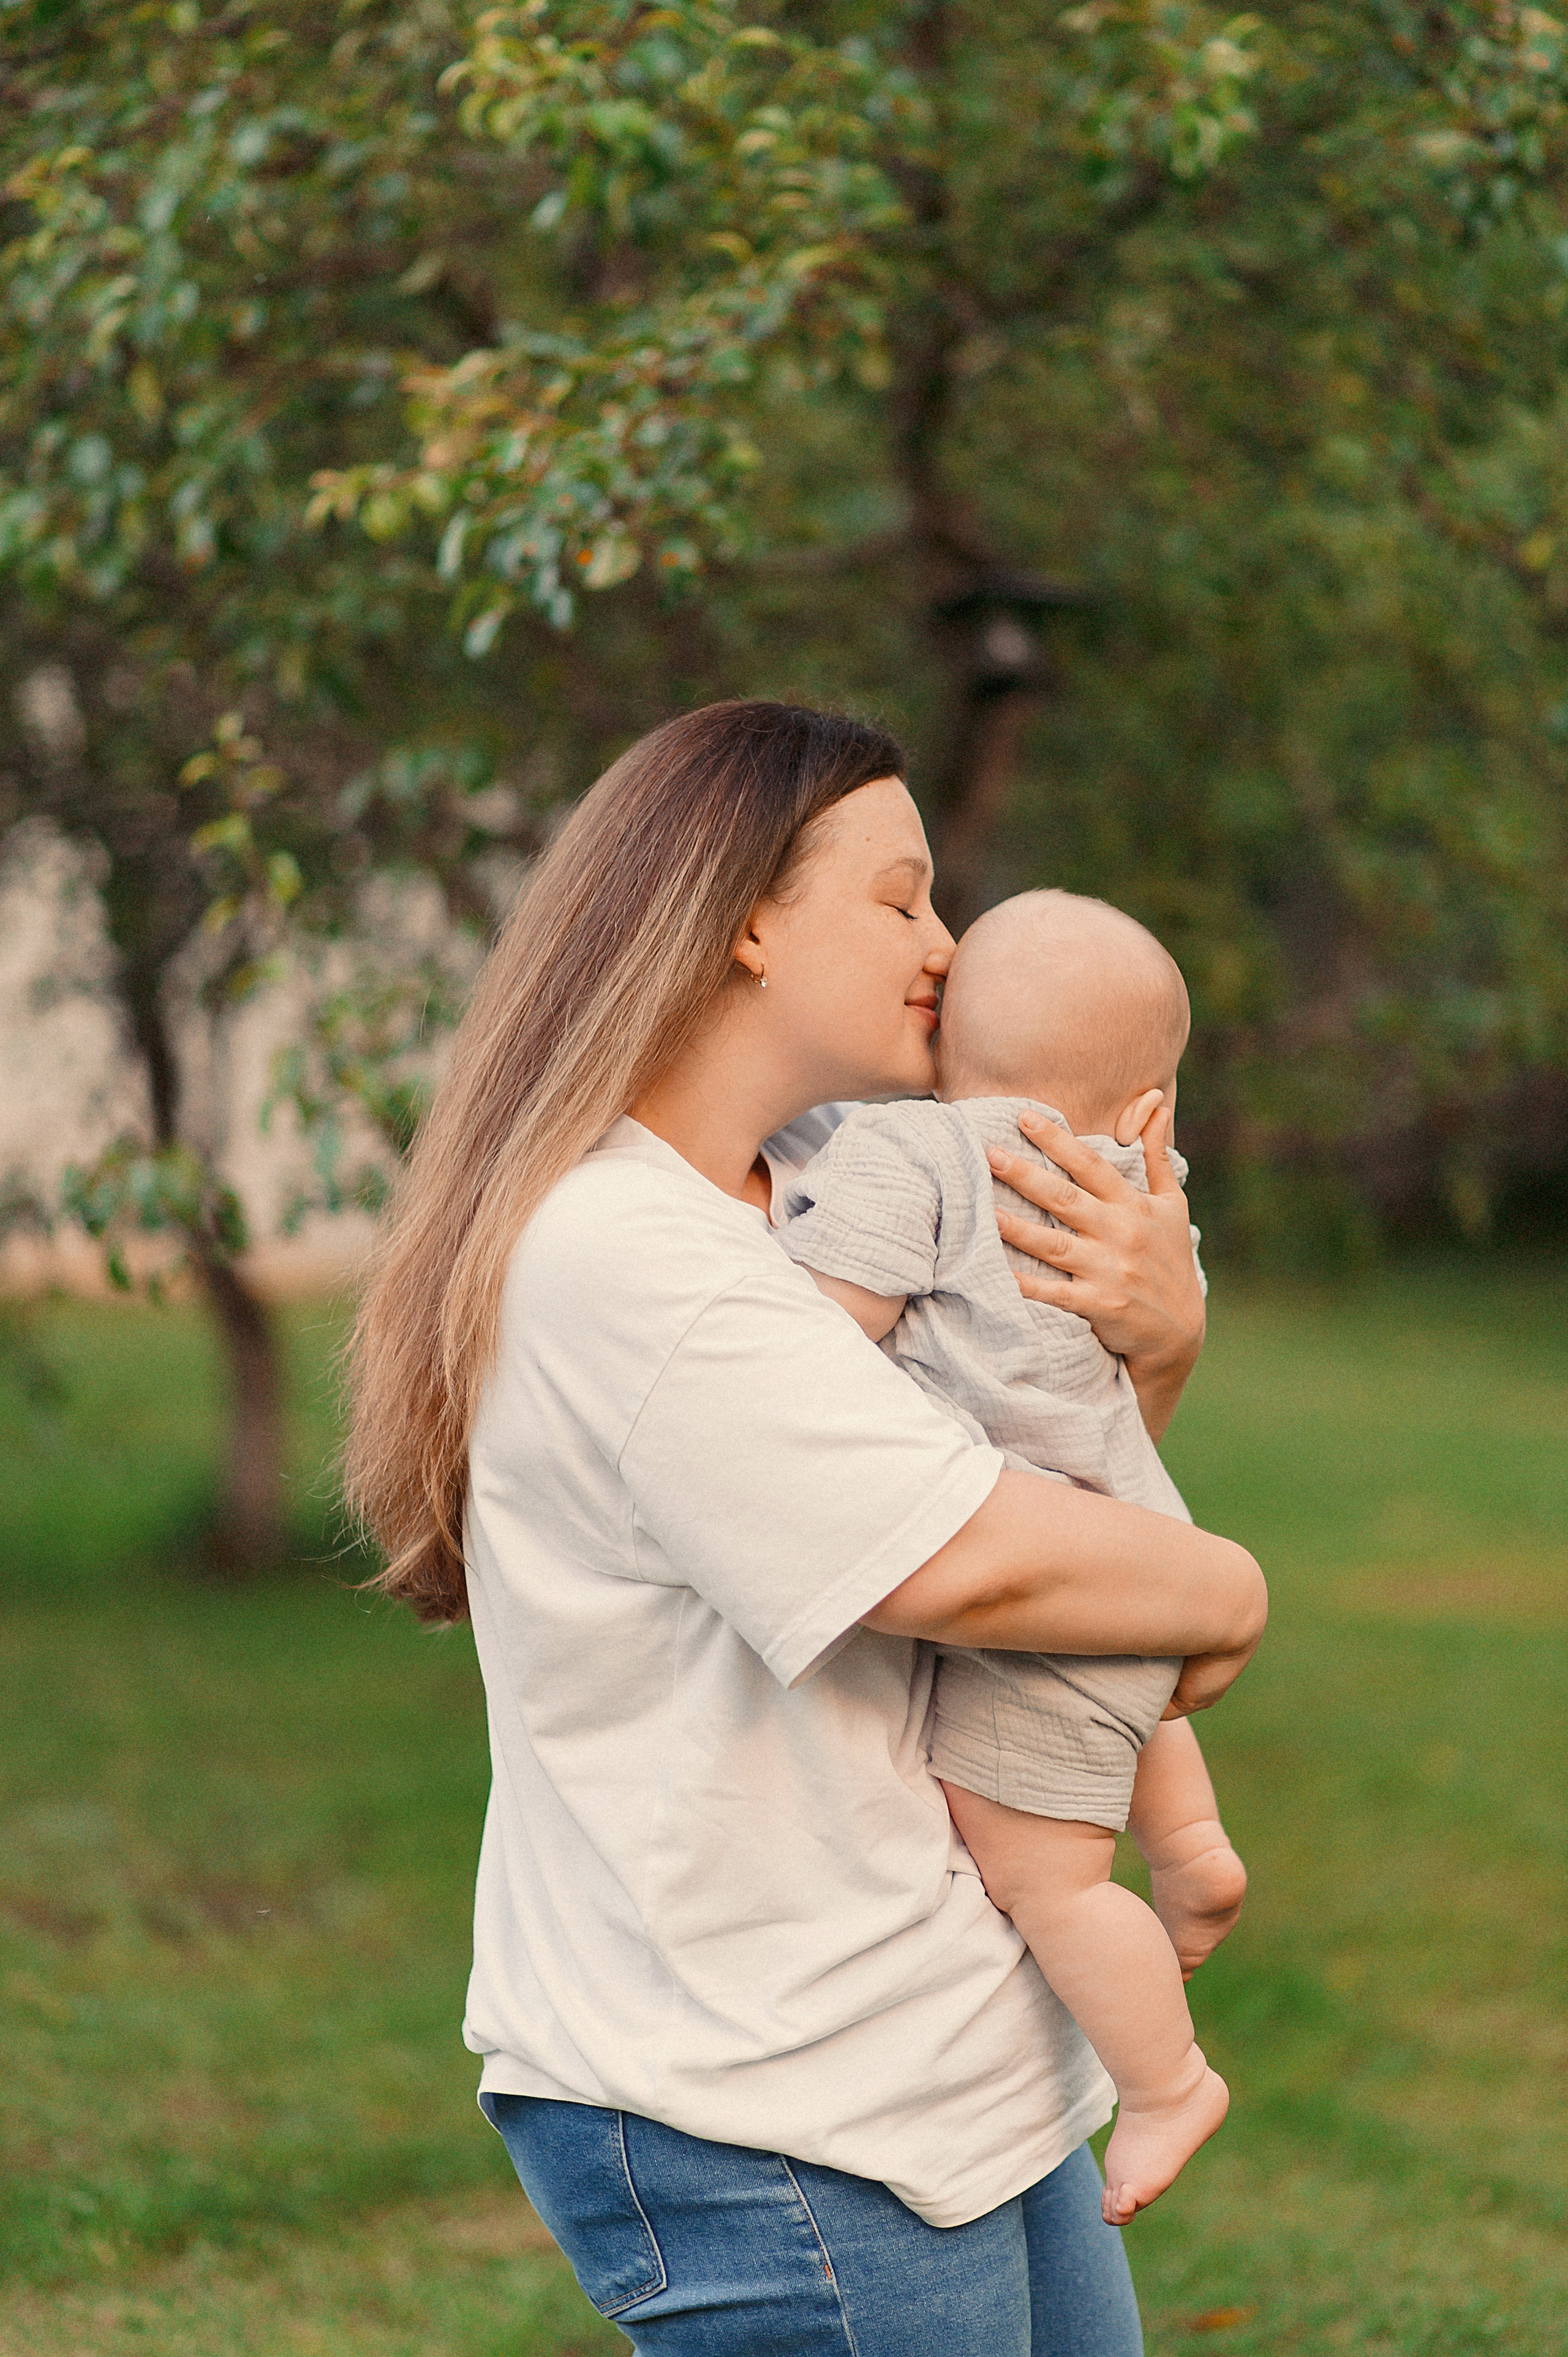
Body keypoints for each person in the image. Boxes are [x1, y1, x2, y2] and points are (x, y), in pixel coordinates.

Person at [345, 702, 1267, 2356]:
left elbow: (1022, 1510)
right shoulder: (630, 1257)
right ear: (746, 920)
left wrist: (1157, 1353)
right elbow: (967, 1562)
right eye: (901, 897)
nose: (946, 948)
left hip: (936, 2040)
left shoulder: (827, 1182)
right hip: (770, 2098)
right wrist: (1230, 1588)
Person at [778, 887, 1250, 2230]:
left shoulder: (910, 1152)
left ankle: (1163, 2082)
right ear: (1152, 1105)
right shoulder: (1138, 1194)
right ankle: (1194, 1837)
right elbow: (1143, 1333)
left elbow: (810, 1341)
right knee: (1113, 1681)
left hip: (1033, 1566)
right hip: (1135, 1541)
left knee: (1040, 1872)